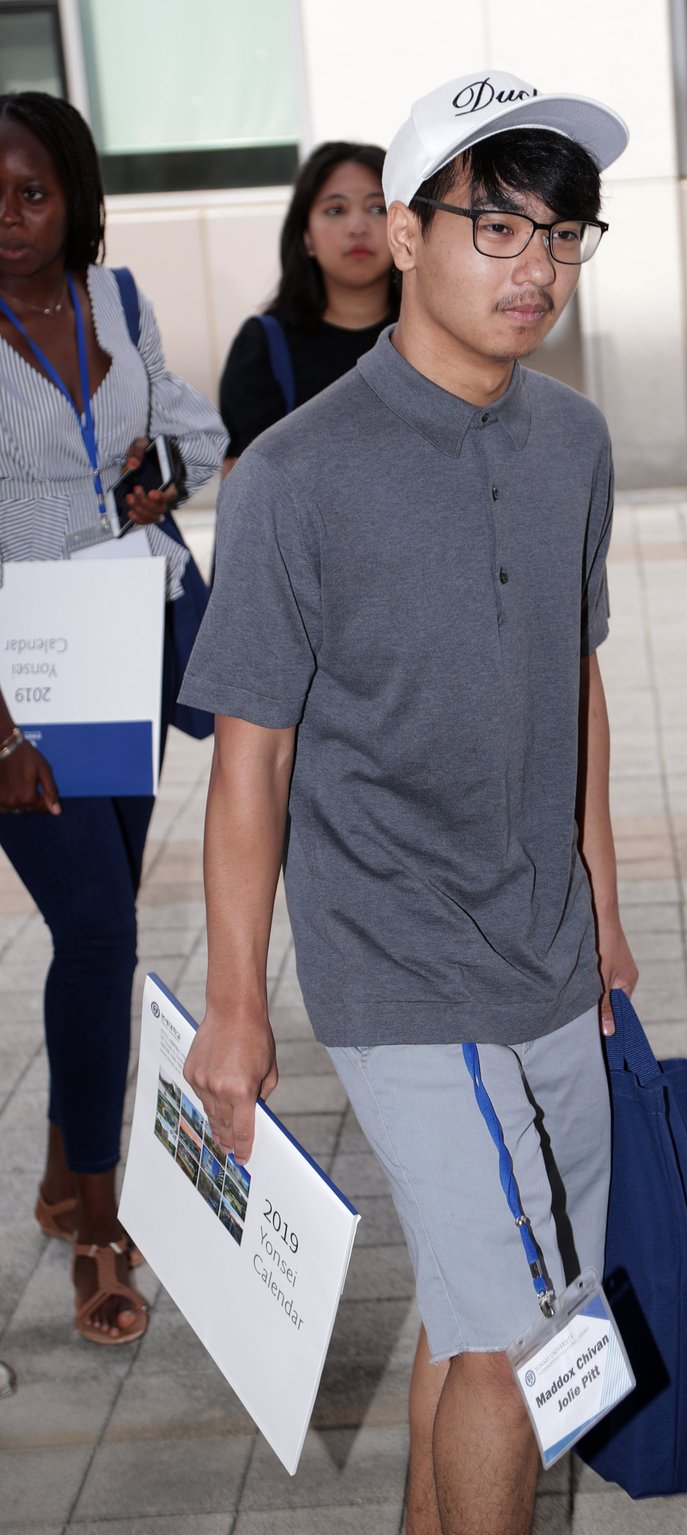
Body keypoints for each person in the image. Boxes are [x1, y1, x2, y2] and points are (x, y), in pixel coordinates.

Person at [179, 70, 635, 1535]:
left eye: (563, 234)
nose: (537, 268)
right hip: (397, 957)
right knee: (522, 1333)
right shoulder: (295, 476)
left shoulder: (573, 442)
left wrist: (606, 914)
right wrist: (237, 1006)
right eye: (497, 228)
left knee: (471, 1301)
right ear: (407, 232)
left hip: (548, 951)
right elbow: (247, 755)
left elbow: (576, 686)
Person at [0, 92, 226, 1345]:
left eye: (31, 193)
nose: (10, 220)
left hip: (123, 653)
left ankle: (54, 1172)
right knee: (98, 929)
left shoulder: (117, 302)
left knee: (95, 932)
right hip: (17, 682)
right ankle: (102, 1226)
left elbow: (196, 427)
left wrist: (164, 476)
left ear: (75, 196)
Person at [218, 140, 397, 473]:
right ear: (306, 238)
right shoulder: (264, 346)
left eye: (377, 209)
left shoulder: (440, 338)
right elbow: (250, 495)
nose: (357, 227)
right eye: (335, 210)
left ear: (406, 228)